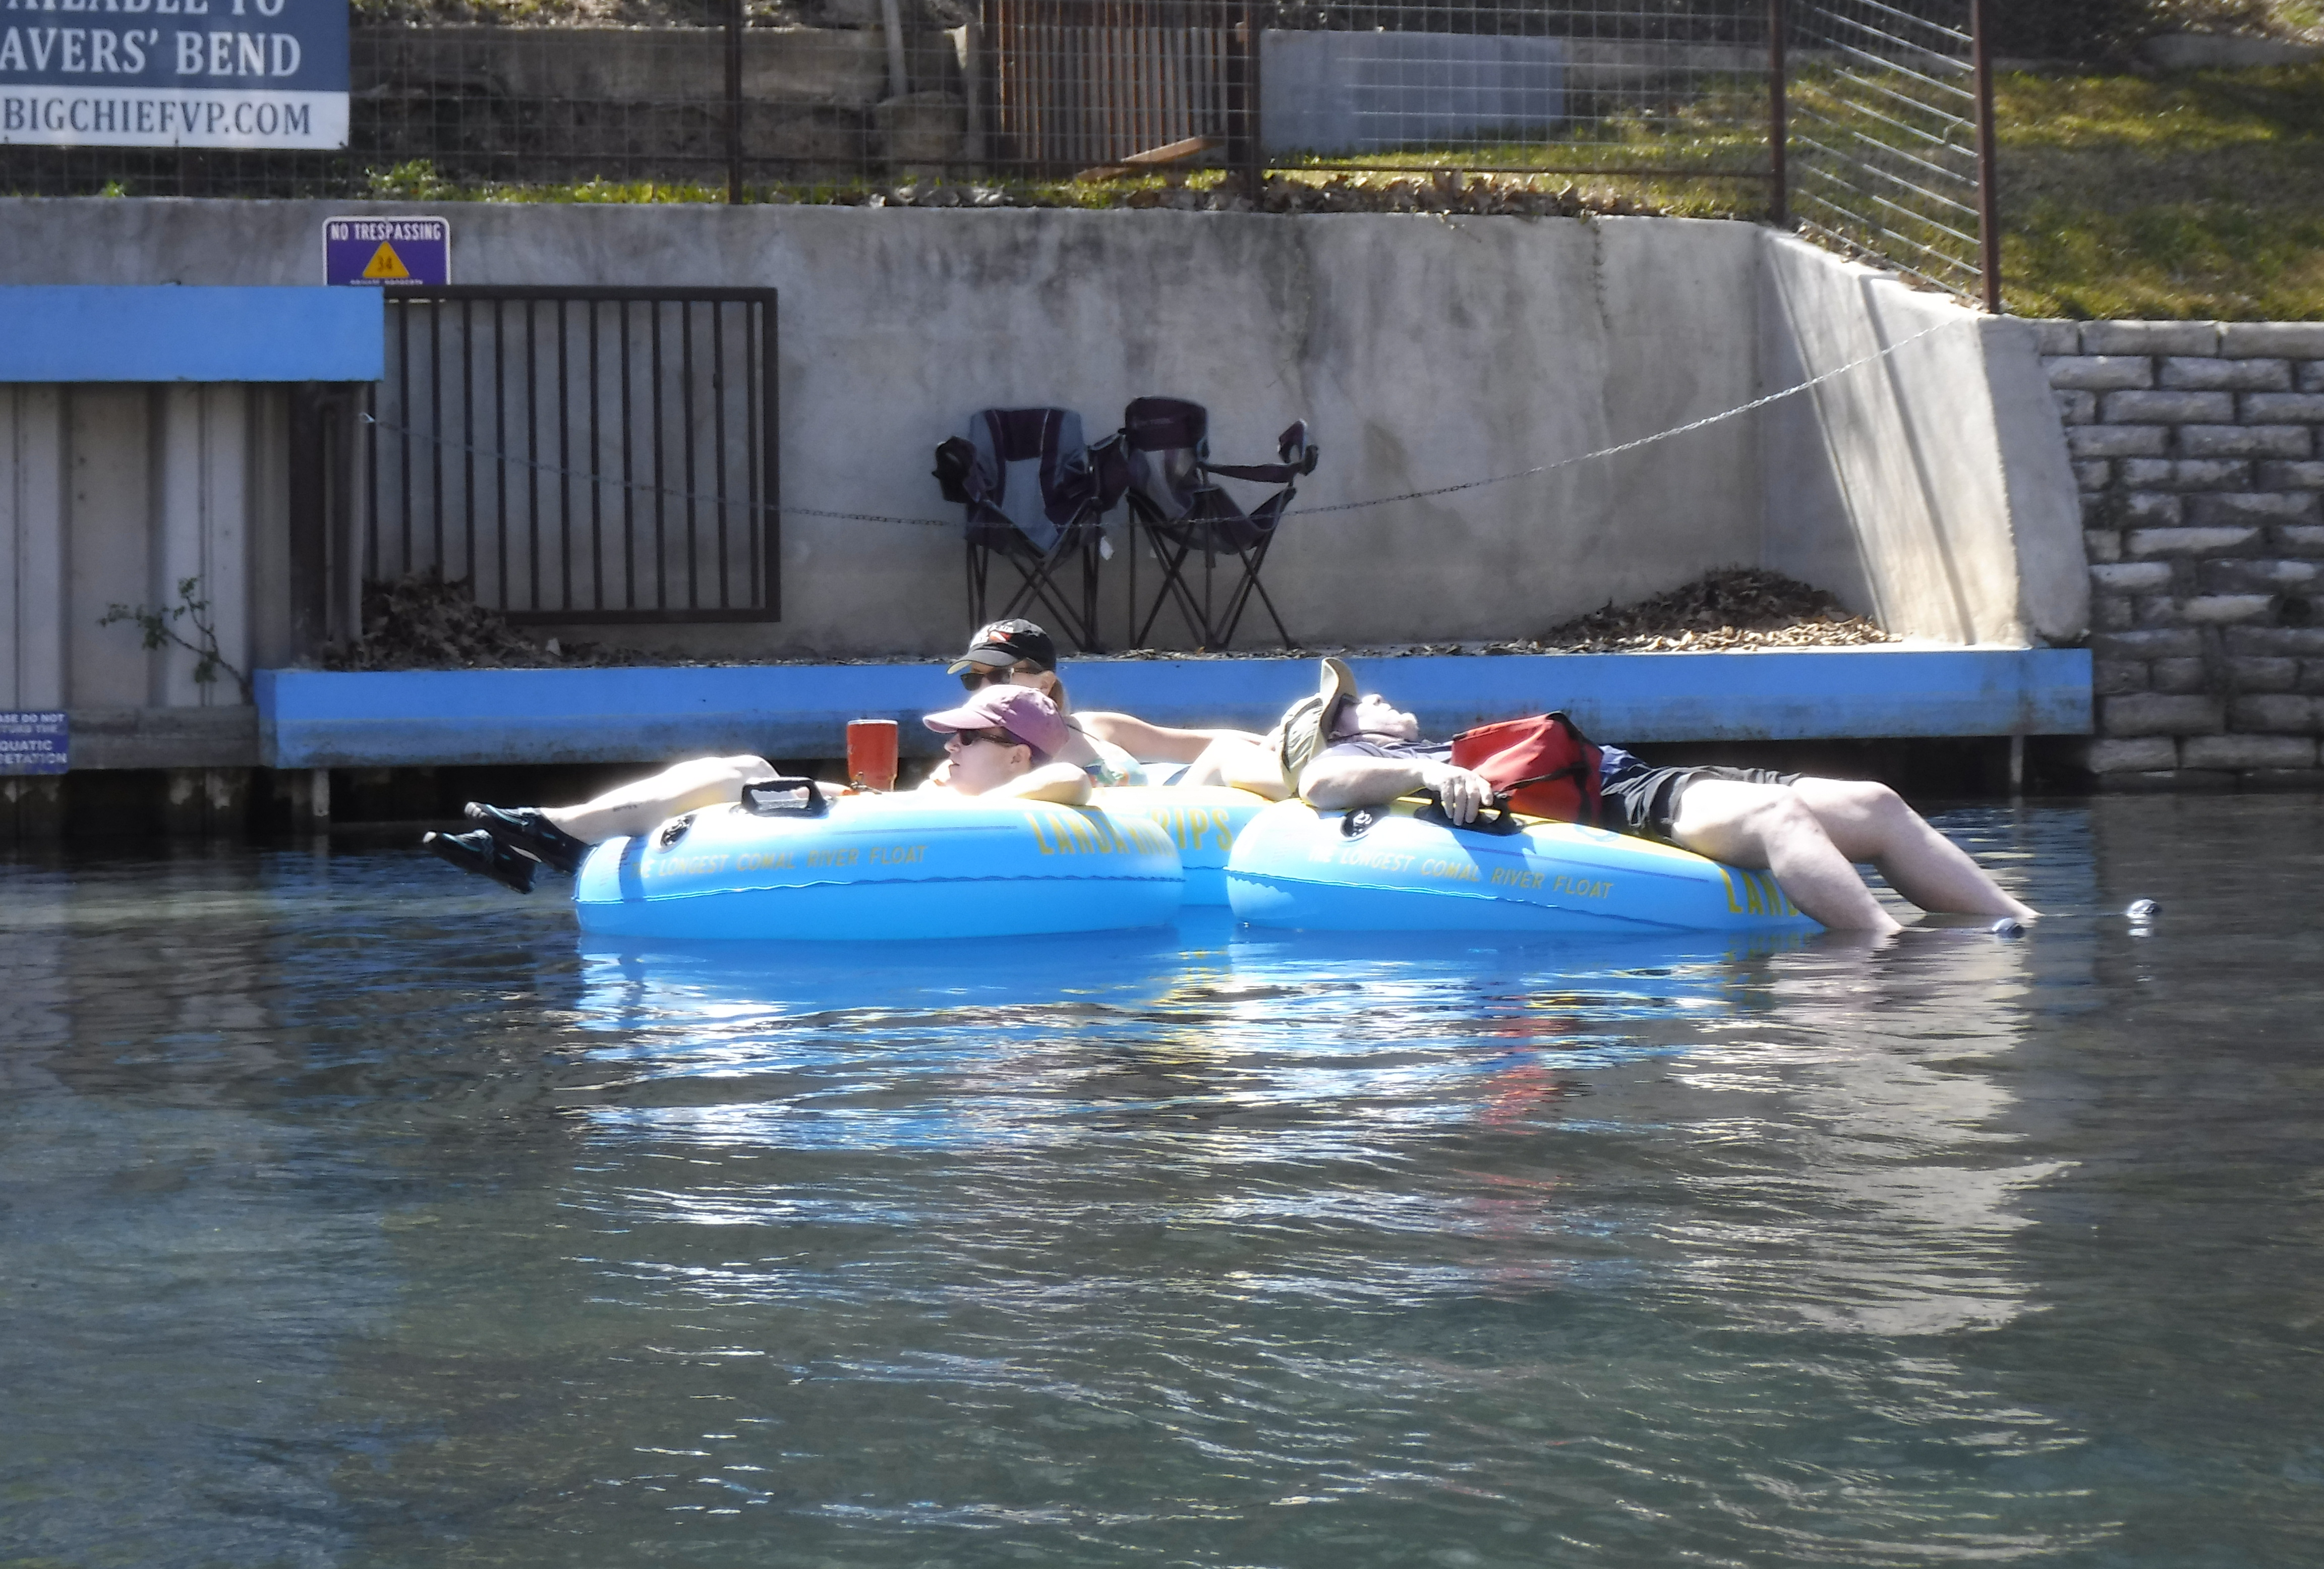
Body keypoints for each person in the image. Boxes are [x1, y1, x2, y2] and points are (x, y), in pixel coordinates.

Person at [1274, 658, 2035, 936]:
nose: (1373, 695)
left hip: (1635, 780)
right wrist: (1427, 774)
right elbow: (1318, 783)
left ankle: (2023, 927)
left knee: (1872, 801)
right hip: (1619, 810)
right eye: (1355, 701)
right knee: (1779, 817)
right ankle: (1890, 952)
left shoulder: (1413, 752)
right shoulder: (1357, 764)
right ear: (1343, 734)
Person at [424, 686, 1088, 895]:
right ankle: (546, 839)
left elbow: (1070, 780)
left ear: (1016, 756)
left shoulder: (1047, 782)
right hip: (845, 820)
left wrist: (947, 803)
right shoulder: (961, 786)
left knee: (738, 774)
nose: (950, 747)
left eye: (968, 740)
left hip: (868, 842)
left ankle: (551, 838)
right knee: (741, 765)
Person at [946, 617, 1271, 788]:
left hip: (1160, 838)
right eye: (974, 678)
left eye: (1000, 676)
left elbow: (1195, 746)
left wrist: (1278, 743)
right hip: (1090, 862)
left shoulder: (1095, 727)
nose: (983, 688)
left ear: (1045, 683)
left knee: (1227, 751)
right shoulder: (976, 749)